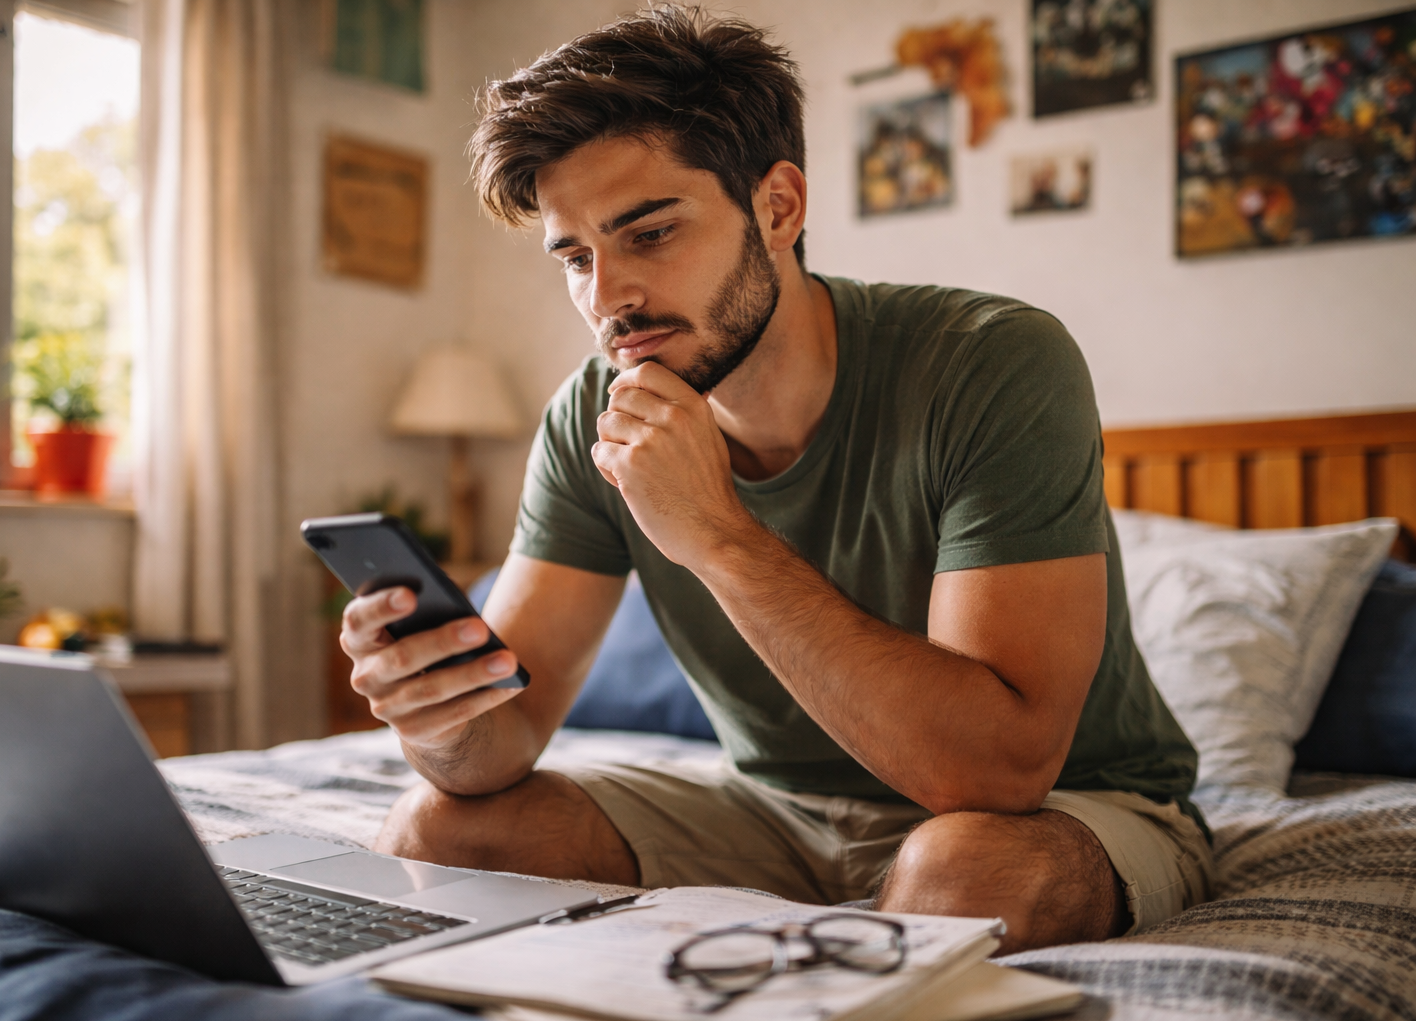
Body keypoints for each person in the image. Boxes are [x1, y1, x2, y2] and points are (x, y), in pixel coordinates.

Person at [340, 6, 1212, 954]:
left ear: (780, 207)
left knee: (968, 871)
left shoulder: (993, 363)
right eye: (577, 257)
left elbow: (999, 774)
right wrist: (431, 713)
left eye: (651, 233)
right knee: (441, 830)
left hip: (1057, 807)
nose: (608, 297)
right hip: (773, 811)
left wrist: (715, 533)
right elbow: (494, 752)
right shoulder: (589, 417)